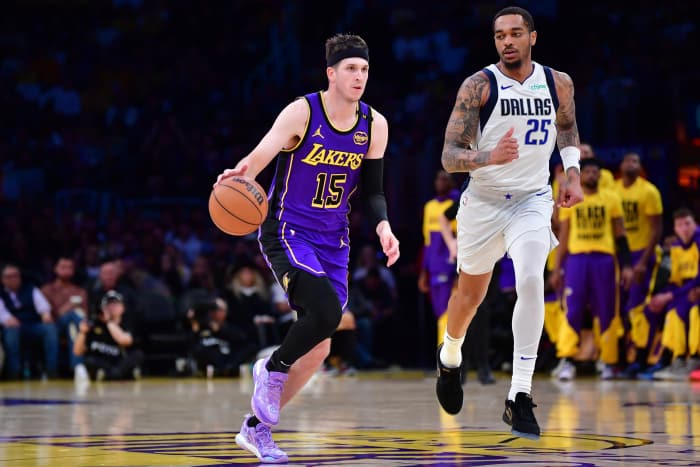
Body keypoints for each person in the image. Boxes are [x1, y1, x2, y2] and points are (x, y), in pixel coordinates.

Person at [215, 33, 400, 463]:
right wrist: (240, 172)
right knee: (328, 315)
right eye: (351, 69)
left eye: (365, 69)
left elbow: (373, 192)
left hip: (333, 239)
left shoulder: (375, 125)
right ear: (331, 73)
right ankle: (272, 368)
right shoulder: (303, 111)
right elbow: (261, 155)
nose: (359, 77)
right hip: (287, 230)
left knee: (320, 344)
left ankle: (256, 429)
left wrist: (385, 227)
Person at [434, 6, 584, 440]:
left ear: (532, 37)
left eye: (516, 33)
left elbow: (568, 129)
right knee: (469, 297)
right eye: (500, 35)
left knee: (532, 280)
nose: (508, 42)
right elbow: (448, 155)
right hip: (482, 203)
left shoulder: (559, 83)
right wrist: (488, 157)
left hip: (533, 200)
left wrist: (571, 173)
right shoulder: (479, 85)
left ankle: (519, 394)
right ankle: (450, 357)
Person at [549, 158, 634, 381]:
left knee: (606, 310)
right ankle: (567, 360)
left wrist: (626, 265)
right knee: (572, 309)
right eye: (587, 171)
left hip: (604, 259)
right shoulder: (572, 198)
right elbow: (564, 236)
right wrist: (557, 269)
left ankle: (606, 361)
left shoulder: (611, 198)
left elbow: (621, 235)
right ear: (580, 175)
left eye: (596, 171)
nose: (592, 175)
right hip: (577, 260)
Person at [613, 152, 664, 377]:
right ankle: (622, 359)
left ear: (640, 167)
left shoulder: (649, 191)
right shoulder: (612, 189)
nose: (631, 164)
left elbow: (656, 229)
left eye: (636, 161)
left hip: (642, 255)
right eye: (628, 160)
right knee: (619, 309)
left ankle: (642, 358)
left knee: (637, 307)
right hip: (619, 255)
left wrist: (643, 262)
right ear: (621, 165)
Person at [639, 208, 700, 380]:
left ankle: (695, 358)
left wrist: (670, 296)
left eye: (688, 224)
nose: (684, 229)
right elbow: (674, 281)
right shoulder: (674, 247)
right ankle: (676, 359)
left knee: (695, 310)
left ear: (695, 224)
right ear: (674, 228)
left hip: (696, 289)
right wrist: (663, 296)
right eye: (680, 225)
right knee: (672, 310)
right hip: (684, 292)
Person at [0, 263, 59, 379]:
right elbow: (3, 315)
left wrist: (46, 315)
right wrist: (7, 318)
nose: (13, 279)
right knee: (12, 331)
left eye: (16, 275)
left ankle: (52, 370)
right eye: (9, 276)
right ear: (2, 279)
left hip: (32, 325)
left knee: (50, 329)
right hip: (12, 327)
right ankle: (14, 372)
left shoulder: (30, 289)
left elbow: (43, 307)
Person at [73, 290, 143, 381]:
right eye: (109, 304)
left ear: (123, 308)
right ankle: (116, 374)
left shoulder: (127, 323)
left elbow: (125, 341)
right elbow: (77, 352)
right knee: (89, 360)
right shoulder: (94, 324)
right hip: (102, 362)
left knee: (137, 355)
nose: (112, 307)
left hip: (119, 362)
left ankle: (113, 374)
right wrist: (82, 332)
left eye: (115, 304)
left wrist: (109, 322)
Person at [40, 256, 89, 379]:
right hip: (54, 327)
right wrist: (68, 307)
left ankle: (77, 367)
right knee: (73, 316)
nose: (66, 270)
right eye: (63, 267)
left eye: (69, 267)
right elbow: (48, 317)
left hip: (76, 327)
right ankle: (77, 366)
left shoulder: (80, 291)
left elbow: (85, 314)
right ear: (55, 269)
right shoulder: (47, 290)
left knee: (74, 323)